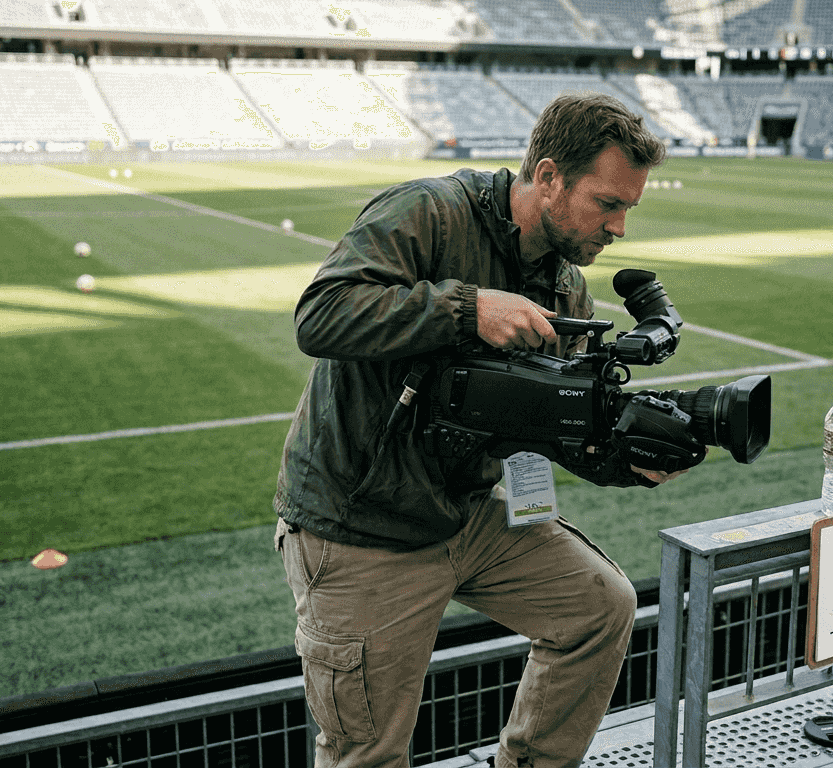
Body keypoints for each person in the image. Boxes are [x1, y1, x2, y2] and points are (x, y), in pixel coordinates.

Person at [274, 92, 677, 768]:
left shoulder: (565, 289)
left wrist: (624, 454)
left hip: (465, 513)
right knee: (368, 754)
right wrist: (467, 309)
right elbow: (320, 316)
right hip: (363, 526)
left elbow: (549, 430)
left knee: (601, 608)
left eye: (628, 208)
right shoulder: (428, 214)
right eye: (609, 204)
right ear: (549, 178)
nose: (620, 228)